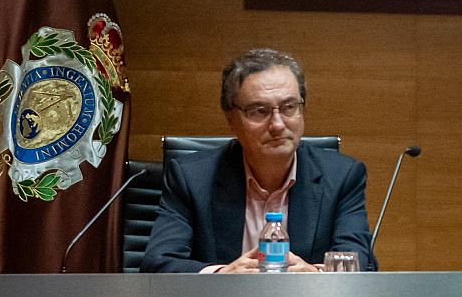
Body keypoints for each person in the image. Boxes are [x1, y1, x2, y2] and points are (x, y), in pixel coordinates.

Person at [142, 49, 378, 273]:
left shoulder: (343, 177)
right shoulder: (192, 179)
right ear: (231, 120)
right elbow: (158, 263)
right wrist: (221, 274)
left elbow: (358, 262)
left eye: (289, 107)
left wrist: (313, 274)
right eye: (259, 111)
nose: (277, 124)